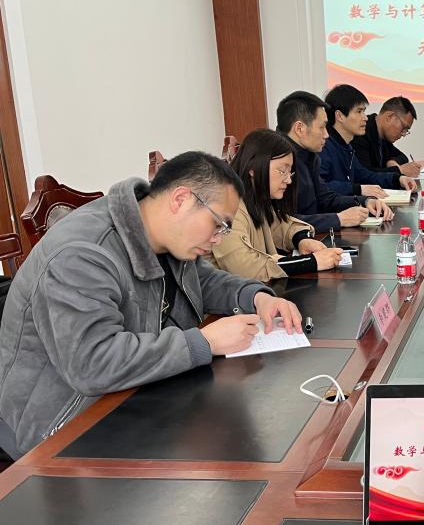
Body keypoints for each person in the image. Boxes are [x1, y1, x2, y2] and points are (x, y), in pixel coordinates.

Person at [0, 152, 302, 458]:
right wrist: (205, 342)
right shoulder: (81, 254)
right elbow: (93, 364)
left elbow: (204, 280)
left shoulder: (162, 232)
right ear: (181, 199)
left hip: (132, 396)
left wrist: (256, 297)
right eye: (219, 224)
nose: (218, 240)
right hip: (61, 429)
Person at [211, 129, 345, 282]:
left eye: (290, 172)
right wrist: (311, 262)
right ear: (253, 168)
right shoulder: (227, 207)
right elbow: (243, 266)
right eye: (282, 171)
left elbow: (280, 226)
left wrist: (302, 240)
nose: (288, 180)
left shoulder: (255, 198)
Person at [276, 90, 391, 233]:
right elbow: (282, 223)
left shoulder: (309, 155)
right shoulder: (276, 161)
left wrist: (364, 201)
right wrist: (338, 219)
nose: (326, 134)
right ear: (299, 129)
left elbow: (325, 198)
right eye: (322, 127)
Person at [321, 84, 417, 198]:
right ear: (340, 116)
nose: (365, 117)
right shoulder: (323, 146)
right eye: (359, 111)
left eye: (364, 111)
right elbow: (321, 186)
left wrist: (398, 179)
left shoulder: (346, 146)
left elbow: (365, 175)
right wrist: (359, 189)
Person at [351, 96, 422, 178]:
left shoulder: (383, 137)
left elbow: (403, 157)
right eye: (404, 128)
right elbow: (364, 174)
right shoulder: (361, 132)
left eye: (406, 130)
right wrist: (400, 170)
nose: (404, 134)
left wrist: (392, 161)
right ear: (389, 117)